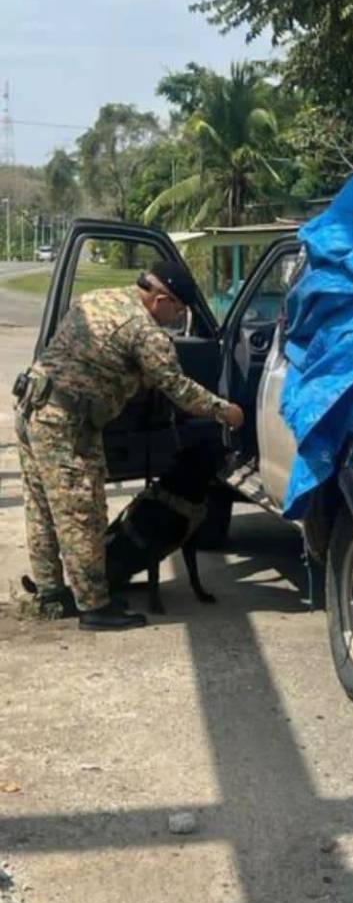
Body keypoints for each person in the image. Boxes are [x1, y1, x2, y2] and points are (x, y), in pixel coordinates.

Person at [15, 260, 244, 632]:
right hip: (67, 424)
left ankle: (52, 595)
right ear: (159, 299)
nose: (178, 318)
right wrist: (225, 411)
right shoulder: (145, 331)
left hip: (32, 406)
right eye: (178, 309)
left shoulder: (97, 298)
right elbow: (179, 388)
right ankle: (95, 607)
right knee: (81, 515)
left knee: (41, 507)